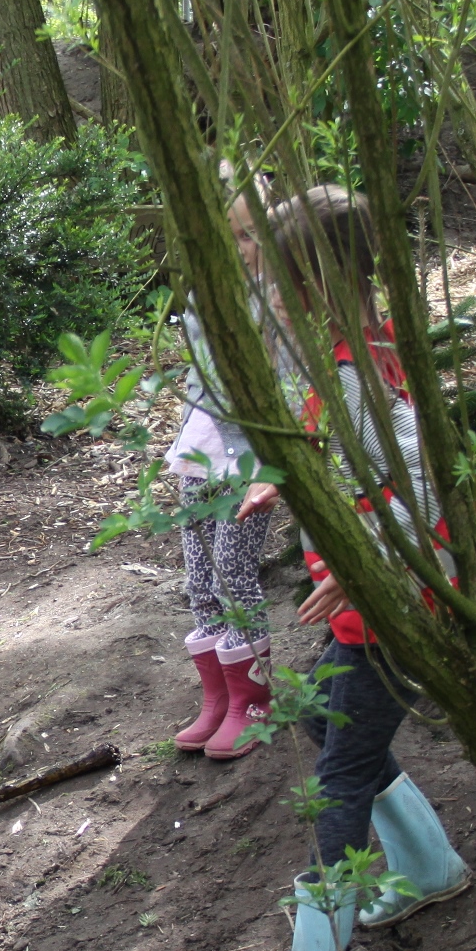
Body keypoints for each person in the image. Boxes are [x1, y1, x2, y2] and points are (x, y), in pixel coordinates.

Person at [242, 187, 471, 951]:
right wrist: (281, 484)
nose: (263, 295)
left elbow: (417, 480)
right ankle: (427, 866)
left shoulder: (350, 374)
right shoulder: (345, 357)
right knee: (322, 723)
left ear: (313, 287)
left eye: (273, 280)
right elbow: (341, 462)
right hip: (369, 608)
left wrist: (363, 559)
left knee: (337, 773)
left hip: (392, 609)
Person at [170, 177, 288, 761]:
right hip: (201, 450)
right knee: (198, 579)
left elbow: (291, 388)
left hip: (246, 458)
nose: (238, 247)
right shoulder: (208, 293)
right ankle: (218, 697)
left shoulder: (283, 302)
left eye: (248, 235)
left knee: (232, 573)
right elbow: (198, 372)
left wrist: (271, 464)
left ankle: (255, 699)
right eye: (228, 235)